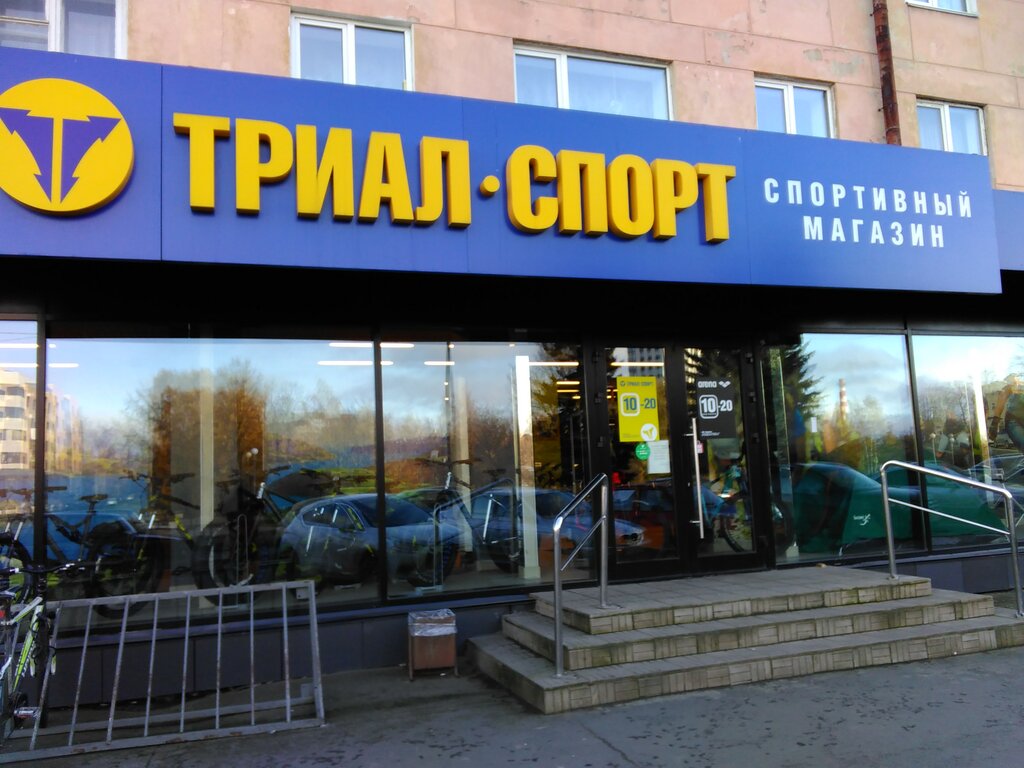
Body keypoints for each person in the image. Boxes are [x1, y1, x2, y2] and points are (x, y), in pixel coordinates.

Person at [990, 374, 1024, 455]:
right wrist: (994, 423)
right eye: (1010, 380)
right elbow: (1000, 404)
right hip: (1014, 421)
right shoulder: (1009, 388)